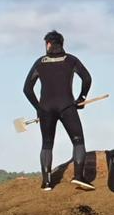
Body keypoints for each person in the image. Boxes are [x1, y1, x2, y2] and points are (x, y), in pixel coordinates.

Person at [23, 31, 93, 192]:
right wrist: (82, 98)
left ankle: (47, 182)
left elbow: (27, 89)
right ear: (62, 44)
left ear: (48, 44)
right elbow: (87, 78)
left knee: (47, 144)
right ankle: (78, 176)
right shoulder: (71, 60)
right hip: (67, 106)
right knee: (78, 141)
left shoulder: (40, 62)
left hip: (46, 108)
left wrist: (38, 108)